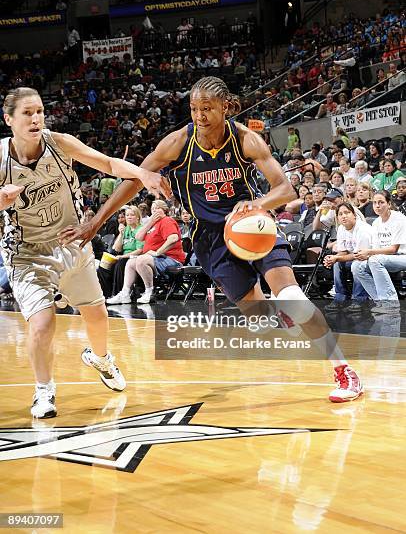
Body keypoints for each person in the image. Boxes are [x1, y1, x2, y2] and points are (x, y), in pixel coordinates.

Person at [61, 76, 363, 403]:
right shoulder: (178, 143)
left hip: (252, 225)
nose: (199, 116)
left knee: (291, 294)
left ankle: (344, 370)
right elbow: (134, 181)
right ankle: (277, 315)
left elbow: (285, 189)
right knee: (260, 321)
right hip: (210, 239)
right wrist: (96, 221)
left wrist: (257, 204)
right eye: (194, 109)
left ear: (225, 107)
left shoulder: (246, 139)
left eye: (207, 108)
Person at [0, 87, 170, 419]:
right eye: (27, 113)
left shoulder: (59, 143)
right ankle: (44, 391)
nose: (36, 119)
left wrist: (141, 172)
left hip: (71, 244)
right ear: (9, 120)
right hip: (27, 253)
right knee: (42, 323)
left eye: (40, 111)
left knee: (97, 317)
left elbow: (106, 163)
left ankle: (101, 358)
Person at [106, 200, 185, 304]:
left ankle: (149, 292)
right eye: (152, 209)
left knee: (141, 260)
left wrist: (158, 252)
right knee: (130, 263)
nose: (154, 211)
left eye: (157, 208)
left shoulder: (167, 221)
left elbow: (173, 238)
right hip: (156, 259)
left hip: (170, 259)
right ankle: (125, 293)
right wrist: (150, 222)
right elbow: (138, 237)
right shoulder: (153, 224)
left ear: (165, 210)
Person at [352, 190, 406, 306]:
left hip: (402, 256)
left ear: (389, 204)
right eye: (375, 202)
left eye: (381, 202)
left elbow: (393, 249)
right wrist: (364, 254)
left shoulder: (399, 219)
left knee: (375, 260)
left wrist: (369, 252)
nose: (377, 205)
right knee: (356, 266)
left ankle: (390, 302)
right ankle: (380, 301)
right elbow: (376, 249)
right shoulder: (376, 222)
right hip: (384, 258)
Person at [323, 203, 372, 309]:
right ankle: (341, 297)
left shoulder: (362, 229)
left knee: (357, 264)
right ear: (337, 218)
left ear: (354, 214)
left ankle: (359, 299)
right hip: (354, 258)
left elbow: (360, 255)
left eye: (347, 212)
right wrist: (332, 258)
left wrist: (337, 258)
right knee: (337, 264)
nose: (344, 216)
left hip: (368, 259)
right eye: (340, 214)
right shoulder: (341, 229)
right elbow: (343, 252)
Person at [97, 206, 144, 298]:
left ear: (138, 217)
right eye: (127, 215)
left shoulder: (141, 229)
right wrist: (121, 234)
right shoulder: (126, 229)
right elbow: (116, 249)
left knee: (120, 263)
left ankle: (118, 294)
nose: (129, 217)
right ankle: (106, 294)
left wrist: (123, 256)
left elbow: (140, 250)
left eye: (132, 215)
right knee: (103, 267)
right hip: (122, 255)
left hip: (135, 257)